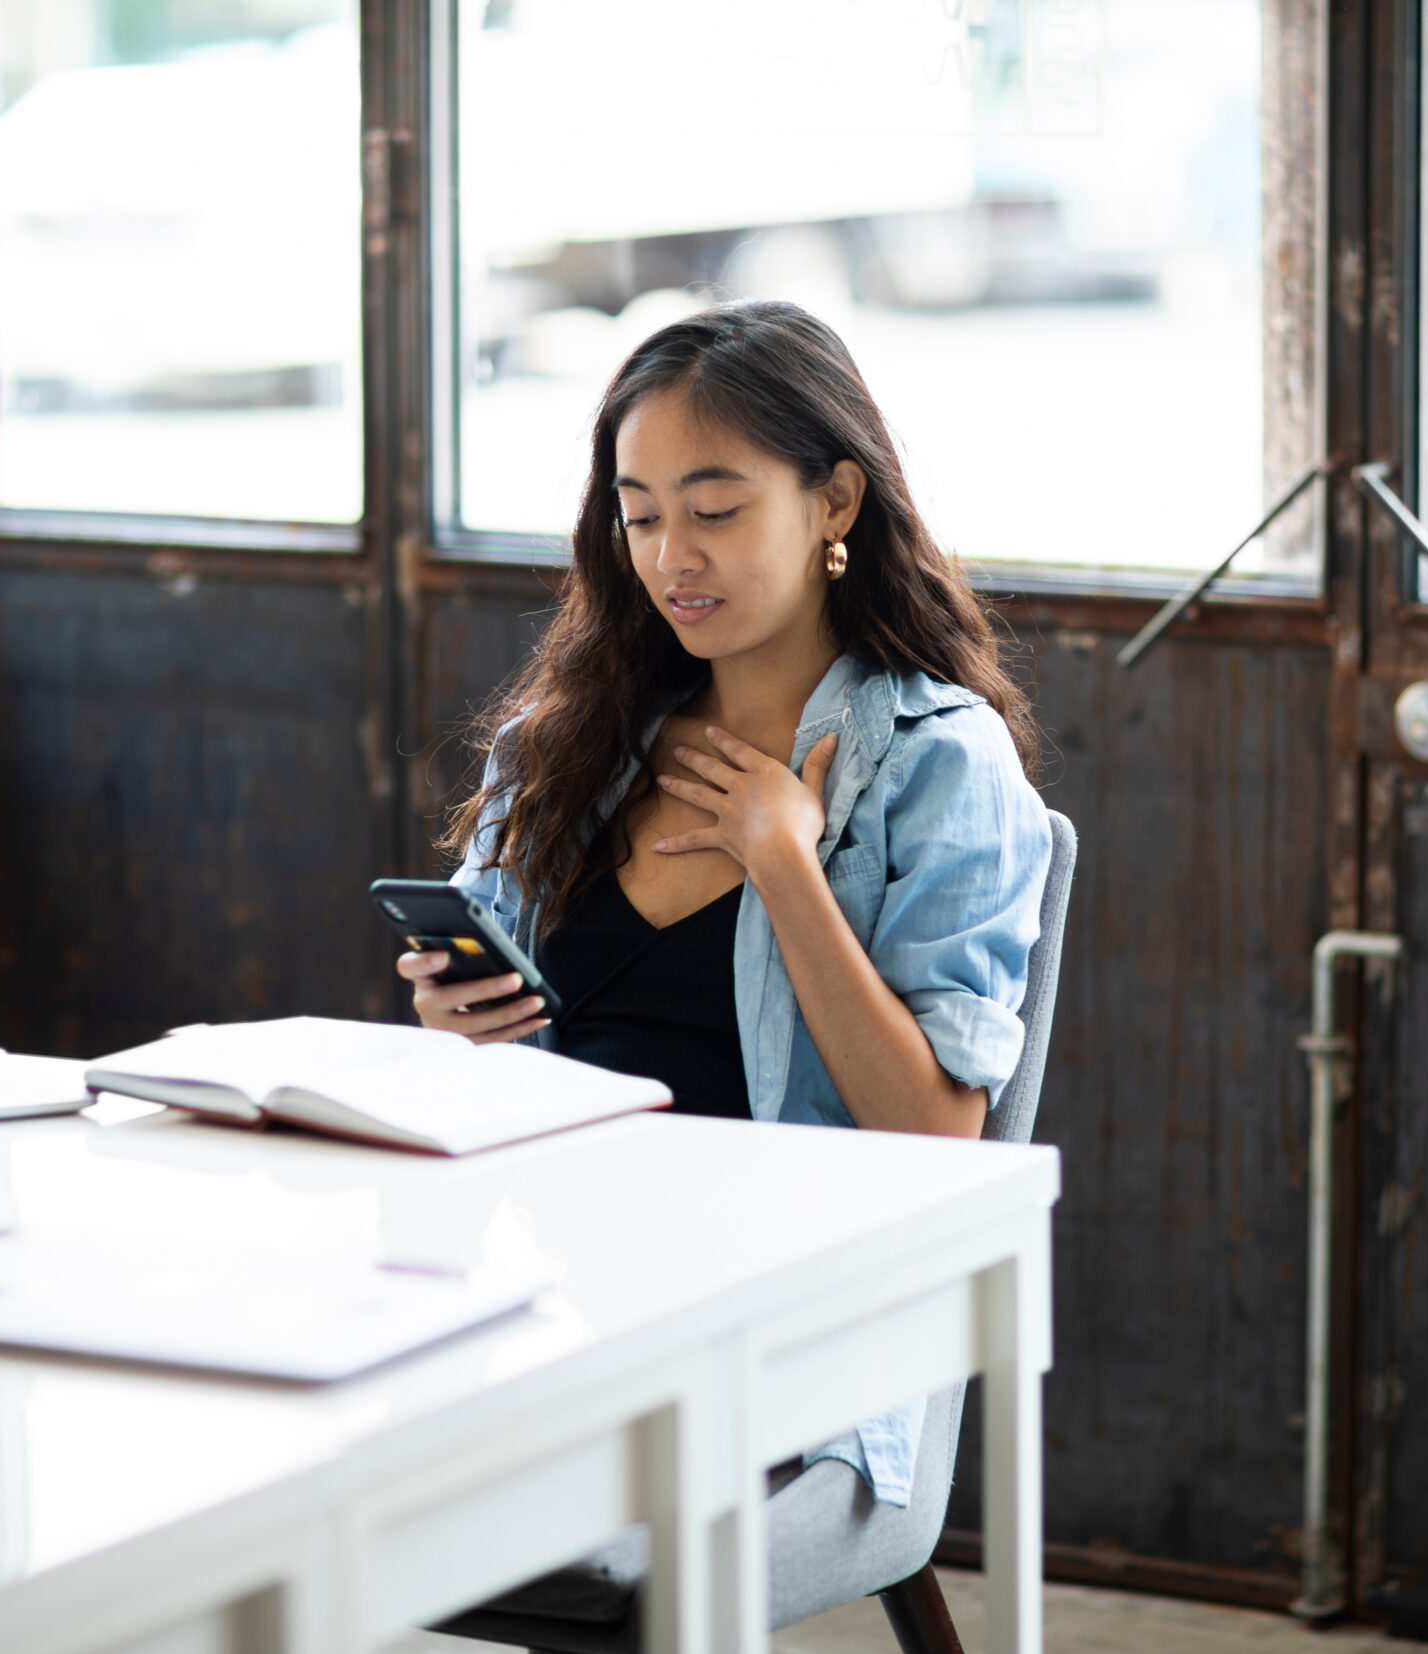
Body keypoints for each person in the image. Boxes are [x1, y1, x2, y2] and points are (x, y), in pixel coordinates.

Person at [397, 299, 1051, 1512]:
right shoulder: (564, 746)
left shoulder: (938, 763)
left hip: (777, 1322)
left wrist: (788, 871)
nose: (669, 559)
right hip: (550, 1273)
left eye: (714, 509)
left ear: (836, 503)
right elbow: (504, 1063)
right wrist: (465, 1026)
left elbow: (935, 1137)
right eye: (638, 516)